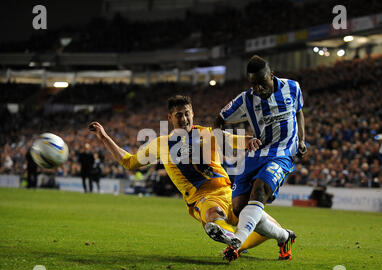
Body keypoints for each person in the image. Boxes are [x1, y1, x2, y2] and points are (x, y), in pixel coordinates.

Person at [89, 95, 290, 256]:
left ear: (192, 113)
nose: (183, 119)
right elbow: (129, 162)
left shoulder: (208, 133)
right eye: (178, 115)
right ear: (170, 118)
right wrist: (104, 137)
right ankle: (232, 239)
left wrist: (250, 141)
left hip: (230, 192)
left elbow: (236, 140)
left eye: (186, 113)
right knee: (213, 215)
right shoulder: (160, 144)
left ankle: (240, 242)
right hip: (202, 198)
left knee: (272, 227)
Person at [212, 55, 307, 261]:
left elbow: (299, 111)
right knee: (238, 209)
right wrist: (232, 141)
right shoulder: (246, 99)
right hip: (255, 155)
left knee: (260, 189)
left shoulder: (292, 87)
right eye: (253, 84)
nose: (258, 89)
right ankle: (284, 236)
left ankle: (237, 243)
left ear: (271, 75)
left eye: (262, 83)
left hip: (282, 153)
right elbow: (218, 121)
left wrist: (301, 140)